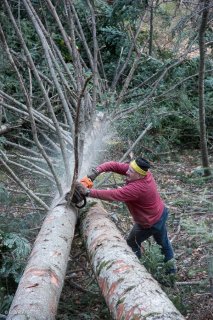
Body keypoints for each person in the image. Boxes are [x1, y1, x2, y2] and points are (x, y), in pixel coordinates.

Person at [78, 157, 176, 274]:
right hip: (160, 213)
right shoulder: (141, 172)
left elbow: (114, 194)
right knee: (164, 242)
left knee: (132, 243)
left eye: (130, 171)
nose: (127, 172)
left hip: (149, 223)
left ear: (139, 176)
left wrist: (88, 192)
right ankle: (171, 272)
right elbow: (113, 164)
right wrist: (96, 172)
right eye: (128, 169)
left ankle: (137, 271)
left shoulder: (138, 188)